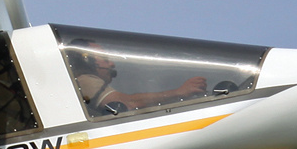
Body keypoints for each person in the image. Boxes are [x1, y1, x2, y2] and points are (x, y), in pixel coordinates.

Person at [68, 40, 206, 114]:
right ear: (87, 61)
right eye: (104, 58)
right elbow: (126, 103)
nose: (112, 64)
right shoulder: (84, 80)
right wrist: (179, 92)